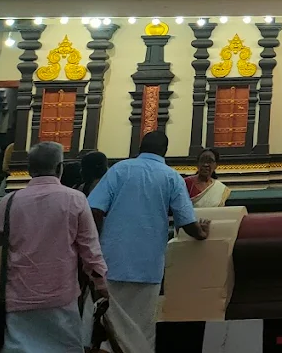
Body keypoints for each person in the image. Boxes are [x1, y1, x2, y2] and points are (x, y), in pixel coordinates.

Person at [88, 130, 210, 349]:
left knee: (110, 320)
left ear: (140, 147)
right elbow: (186, 221)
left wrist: (94, 246)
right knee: (142, 325)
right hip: (148, 265)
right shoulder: (171, 176)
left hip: (112, 260)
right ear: (165, 151)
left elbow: (94, 209)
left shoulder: (119, 170)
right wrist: (201, 233)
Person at [0, 141, 108, 353]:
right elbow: (90, 250)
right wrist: (101, 283)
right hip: (61, 295)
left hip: (19, 294)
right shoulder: (76, 200)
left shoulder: (10, 201)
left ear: (30, 169)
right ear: (59, 168)